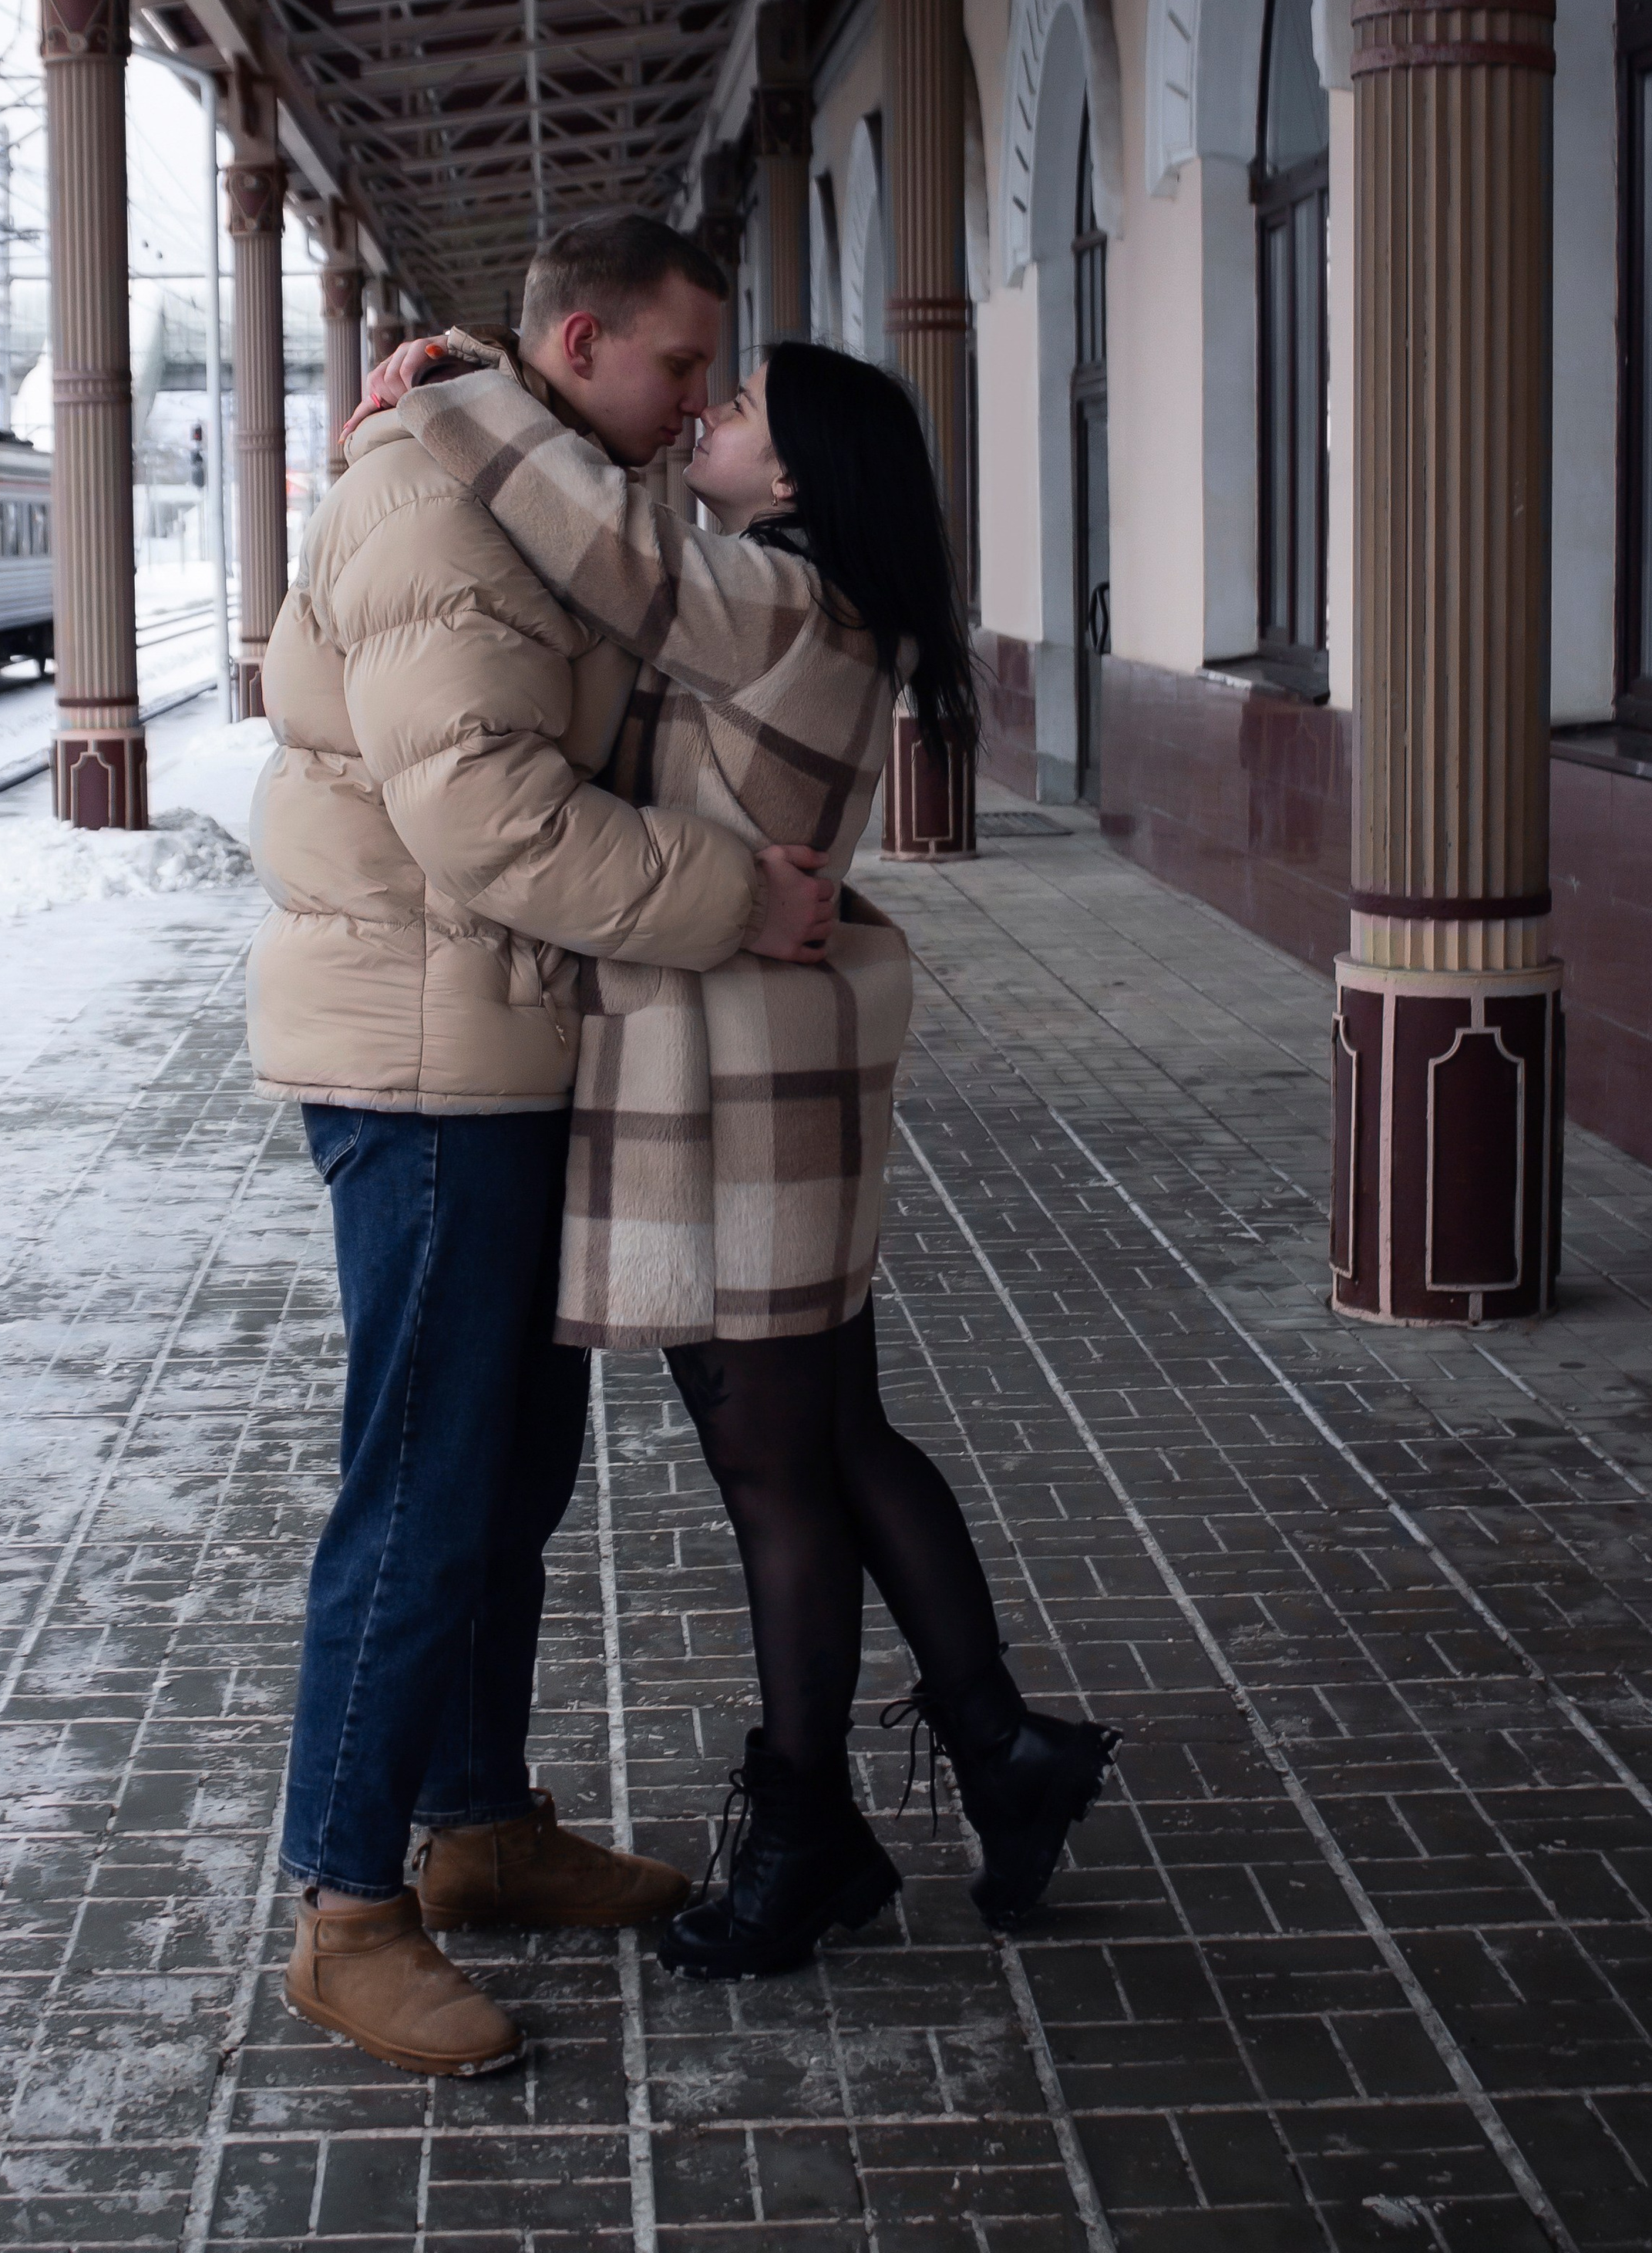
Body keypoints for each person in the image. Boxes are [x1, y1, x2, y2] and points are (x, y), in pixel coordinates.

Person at [359, 320, 1122, 1979]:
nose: (707, 413)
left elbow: (596, 534)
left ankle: (808, 1832)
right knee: (836, 1435)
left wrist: (453, 390)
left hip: (736, 1101)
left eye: (745, 403)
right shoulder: (808, 600)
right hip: (778, 1084)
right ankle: (999, 1749)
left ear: (794, 473)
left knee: (777, 1467)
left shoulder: (765, 597)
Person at [247, 215, 837, 2078]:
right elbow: (491, 816)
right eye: (678, 370)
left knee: (510, 1468)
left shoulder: (539, 472)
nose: (695, 405)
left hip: (499, 1038)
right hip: (426, 1054)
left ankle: (482, 1829)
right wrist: (742, 898)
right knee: (422, 1490)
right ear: (579, 344)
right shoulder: (440, 507)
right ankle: (347, 1912)